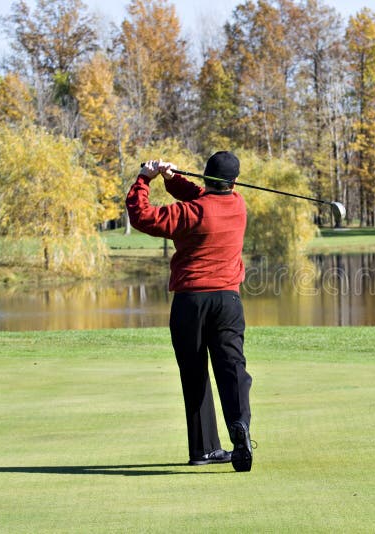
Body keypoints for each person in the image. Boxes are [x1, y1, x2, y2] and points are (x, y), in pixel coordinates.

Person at [126, 151, 253, 472]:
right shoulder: (237, 206)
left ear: (205, 177)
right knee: (232, 369)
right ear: (234, 182)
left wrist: (145, 179)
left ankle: (204, 449)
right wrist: (172, 179)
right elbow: (204, 197)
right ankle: (240, 425)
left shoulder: (189, 213)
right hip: (227, 301)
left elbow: (142, 216)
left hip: (190, 303)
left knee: (195, 374)